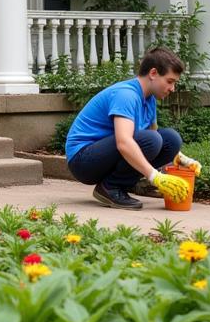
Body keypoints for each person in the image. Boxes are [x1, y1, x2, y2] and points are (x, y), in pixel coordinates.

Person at [64, 46, 200, 209]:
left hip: (103, 154)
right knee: (152, 140)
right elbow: (124, 142)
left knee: (171, 140)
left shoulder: (149, 99)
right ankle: (110, 187)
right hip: (83, 161)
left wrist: (178, 158)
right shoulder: (126, 95)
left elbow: (154, 135)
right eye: (170, 81)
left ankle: (129, 184)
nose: (172, 88)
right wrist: (155, 176)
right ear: (153, 73)